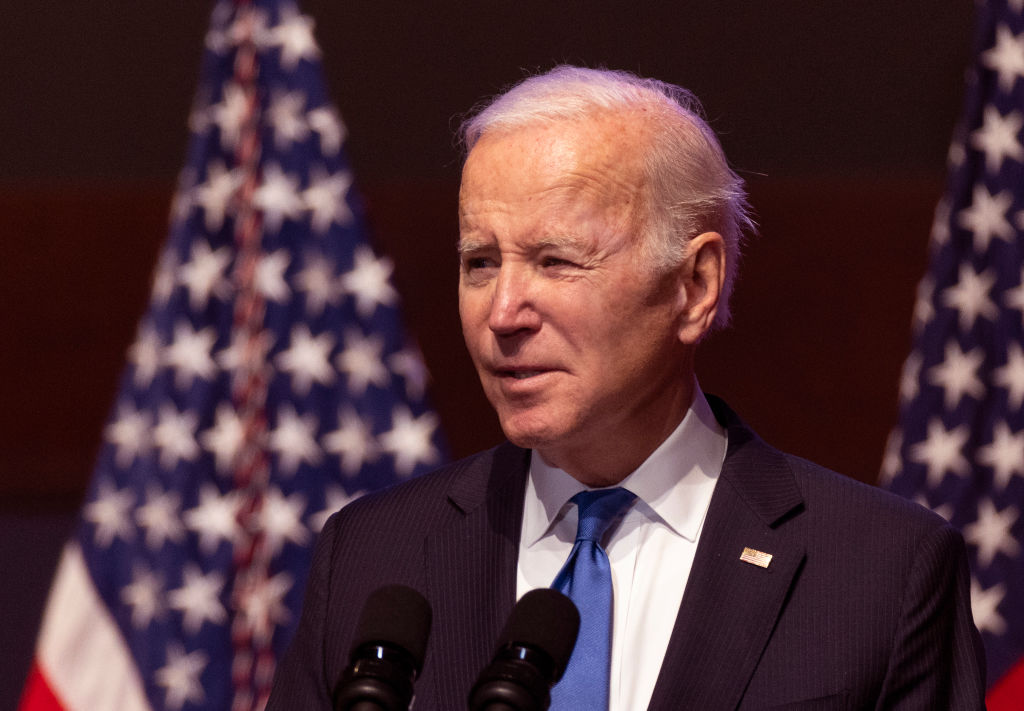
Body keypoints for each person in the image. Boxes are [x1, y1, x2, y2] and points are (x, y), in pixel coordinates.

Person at [267, 66, 985, 710]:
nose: (503, 312)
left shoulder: (881, 571)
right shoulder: (371, 554)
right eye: (480, 262)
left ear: (694, 285)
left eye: (556, 261)